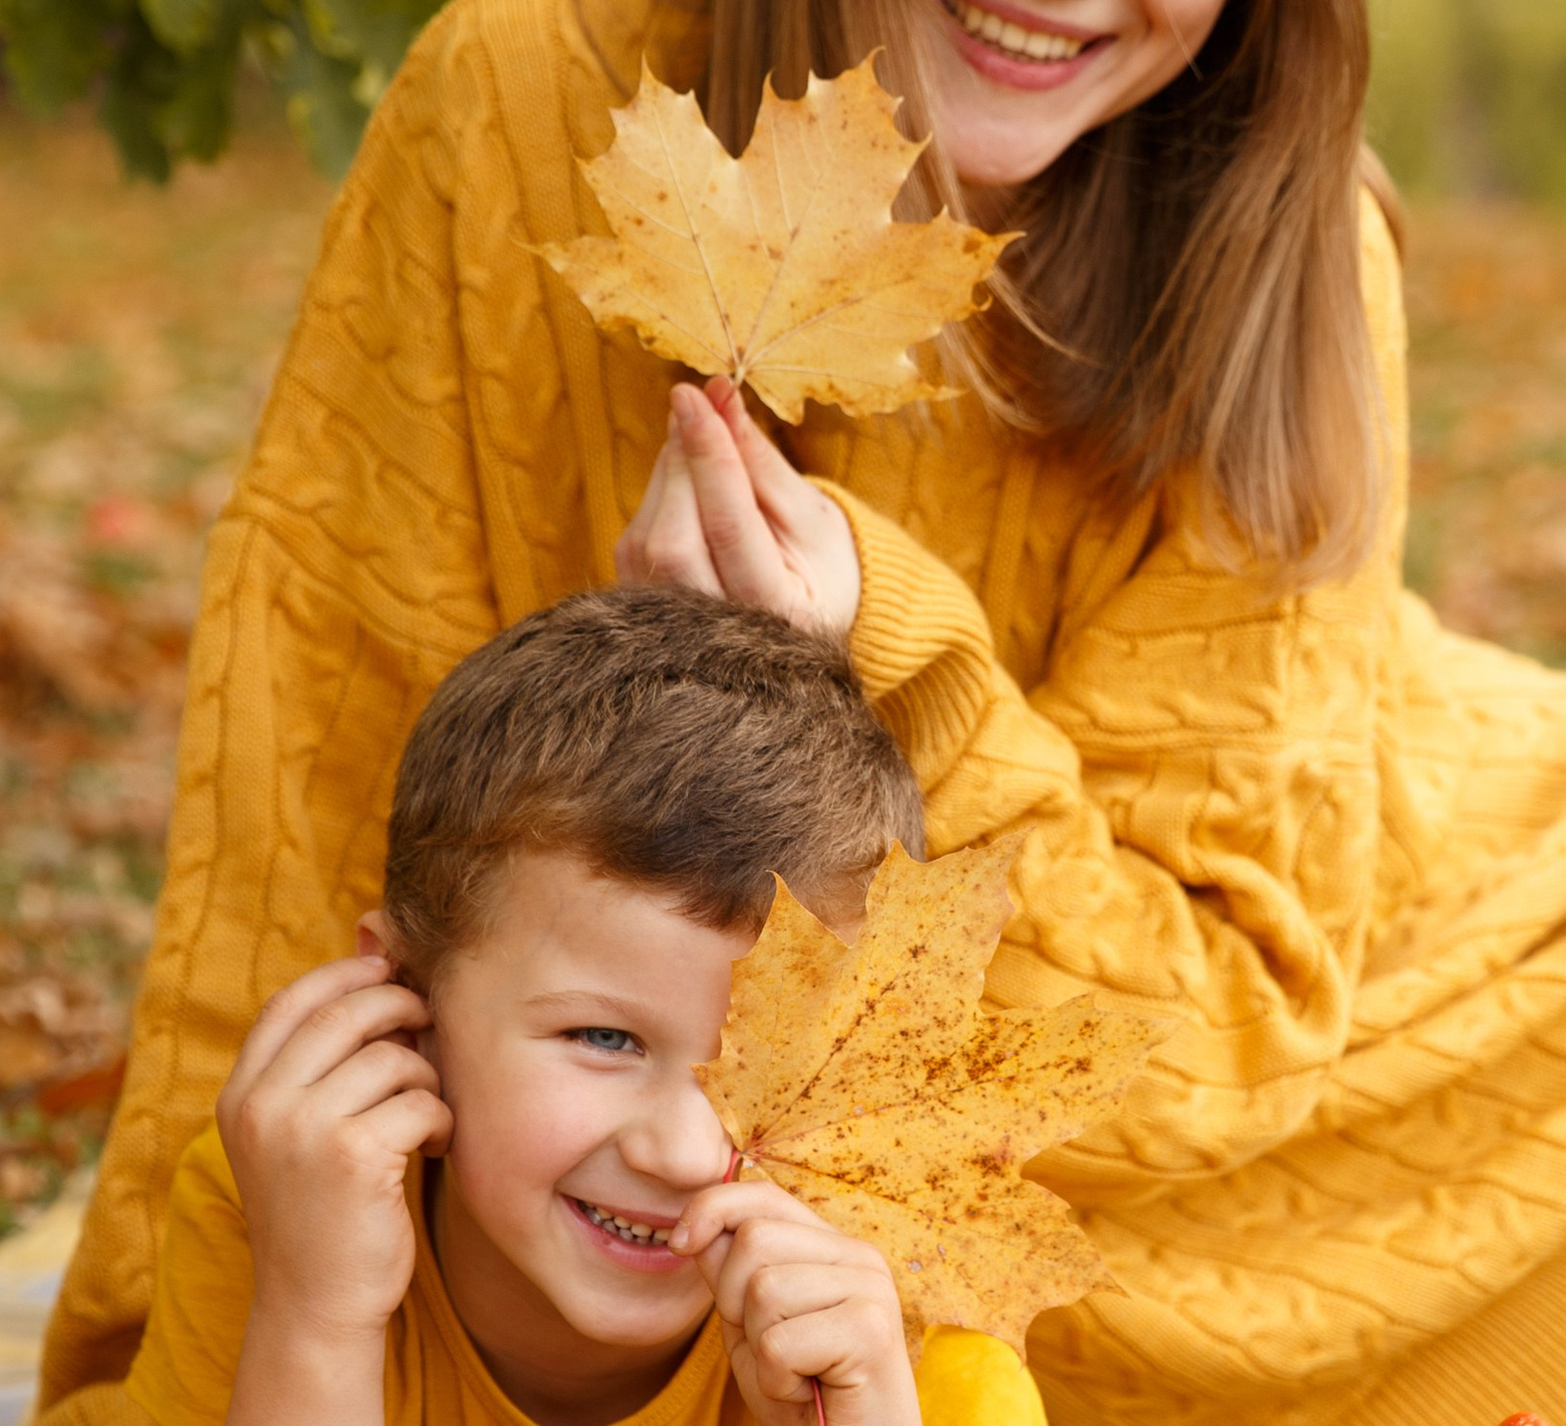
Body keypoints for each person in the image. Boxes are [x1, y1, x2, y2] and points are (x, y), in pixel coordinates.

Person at [36, 0, 1566, 1421]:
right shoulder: (531, 111)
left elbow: (1210, 1020)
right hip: (1152, 1281)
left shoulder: (1283, 245)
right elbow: (313, 831)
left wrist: (906, 652)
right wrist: (197, 1326)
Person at [123, 584, 1047, 1426]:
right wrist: (317, 1320)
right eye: (604, 1035)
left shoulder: (918, 1367)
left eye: (777, 1060)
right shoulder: (296, 1213)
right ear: (410, 1002)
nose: (688, 1153)